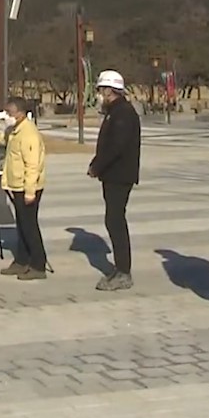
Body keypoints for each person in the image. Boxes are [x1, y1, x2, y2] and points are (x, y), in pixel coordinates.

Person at [0, 96, 49, 281]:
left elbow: (33, 165)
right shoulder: (15, 130)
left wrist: (30, 192)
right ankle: (22, 260)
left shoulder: (29, 134)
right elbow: (3, 138)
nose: (6, 116)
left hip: (27, 187)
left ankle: (38, 264)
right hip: (16, 185)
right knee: (22, 225)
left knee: (29, 226)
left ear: (19, 113)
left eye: (9, 112)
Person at [86, 69, 141, 291]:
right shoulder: (114, 111)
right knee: (113, 220)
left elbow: (116, 146)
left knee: (115, 221)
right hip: (112, 174)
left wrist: (97, 165)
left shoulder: (123, 113)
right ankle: (120, 269)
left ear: (110, 91)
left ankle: (124, 271)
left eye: (101, 90)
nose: (99, 94)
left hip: (120, 174)